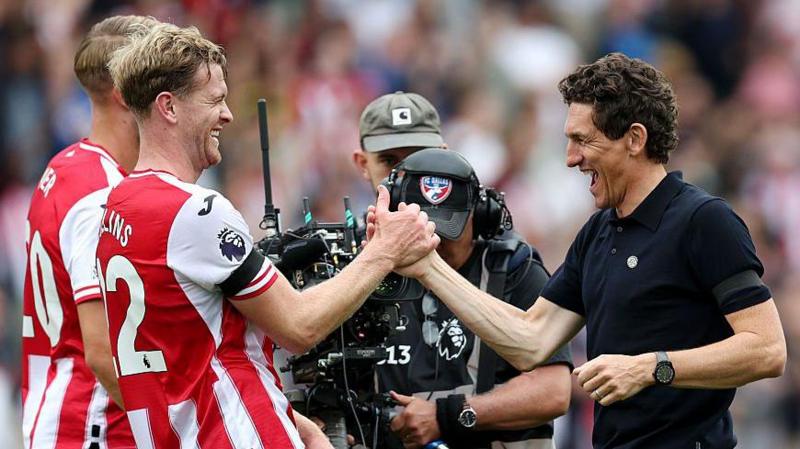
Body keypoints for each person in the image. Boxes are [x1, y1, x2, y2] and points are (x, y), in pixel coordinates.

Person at [382, 53, 787, 449]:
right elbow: (531, 339)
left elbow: (766, 349)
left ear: (634, 139)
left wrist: (652, 367)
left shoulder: (703, 221)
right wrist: (427, 265)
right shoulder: (598, 231)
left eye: (582, 140)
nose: (571, 158)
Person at [98, 23, 438, 449]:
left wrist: (296, 420)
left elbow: (185, 356)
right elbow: (299, 326)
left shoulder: (114, 208)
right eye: (216, 100)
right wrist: (384, 251)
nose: (227, 114)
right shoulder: (196, 210)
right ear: (169, 106)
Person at [353, 93, 571, 448]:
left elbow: (553, 391)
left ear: (445, 154)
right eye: (391, 164)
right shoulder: (348, 258)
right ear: (362, 164)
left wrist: (448, 417)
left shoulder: (508, 264)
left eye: (419, 159)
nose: (410, 179)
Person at [21, 15, 158, 448]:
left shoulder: (66, 166)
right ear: (123, 93)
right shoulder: (100, 196)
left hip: (56, 411)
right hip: (88, 425)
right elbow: (101, 354)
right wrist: (164, 432)